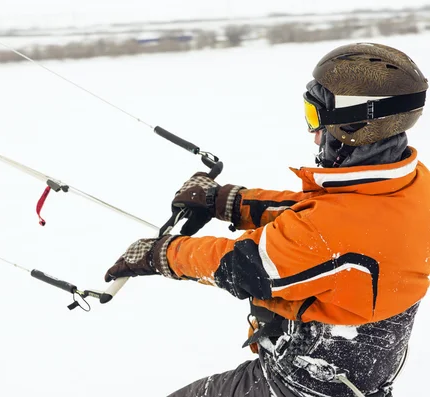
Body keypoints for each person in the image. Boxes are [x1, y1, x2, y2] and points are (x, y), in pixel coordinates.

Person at [104, 42, 430, 397]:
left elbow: (240, 265)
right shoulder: (413, 186)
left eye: (315, 117)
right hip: (358, 380)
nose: (313, 133)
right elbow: (320, 218)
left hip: (298, 388)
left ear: (352, 125)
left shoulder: (332, 231)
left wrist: (159, 255)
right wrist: (229, 201)